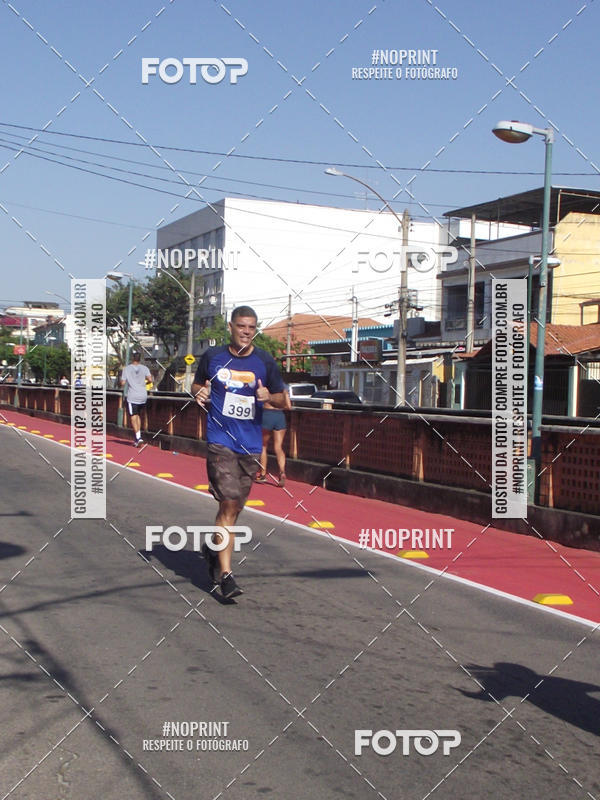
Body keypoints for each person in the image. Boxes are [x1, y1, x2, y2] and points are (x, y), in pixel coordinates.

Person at [192, 306, 286, 599]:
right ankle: (226, 575)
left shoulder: (264, 361)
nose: (247, 331)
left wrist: (268, 396)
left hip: (250, 446)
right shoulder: (214, 357)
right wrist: (199, 392)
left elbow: (284, 400)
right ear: (231, 327)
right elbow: (196, 383)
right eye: (242, 326)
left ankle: (211, 549)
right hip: (220, 440)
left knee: (233, 509)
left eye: (252, 327)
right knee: (230, 501)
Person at [256, 385, 291, 486]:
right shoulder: (283, 388)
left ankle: (262, 474)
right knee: (278, 447)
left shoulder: (265, 386)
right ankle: (282, 472)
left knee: (263, 445)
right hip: (279, 416)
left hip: (267, 414)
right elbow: (289, 406)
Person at [120, 351, 152, 447]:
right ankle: (138, 437)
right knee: (138, 415)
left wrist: (124, 382)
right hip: (143, 395)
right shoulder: (145, 368)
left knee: (133, 416)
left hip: (132, 395)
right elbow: (150, 380)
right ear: (140, 359)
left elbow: (122, 383)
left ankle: (138, 437)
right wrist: (142, 384)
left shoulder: (127, 369)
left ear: (132, 358)